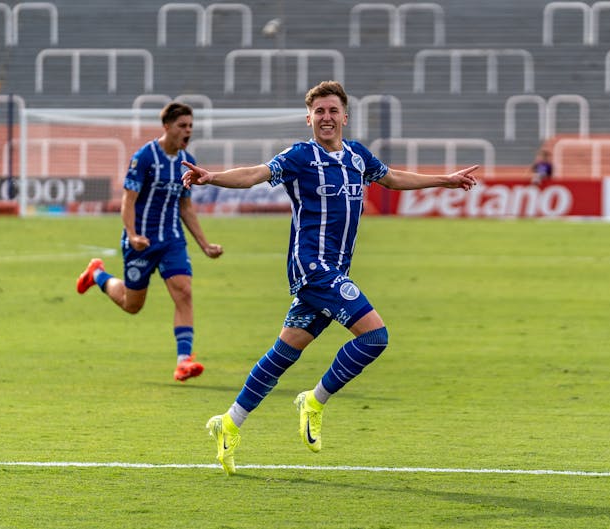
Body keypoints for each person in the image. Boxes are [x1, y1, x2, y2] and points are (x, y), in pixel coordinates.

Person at [181, 80, 478, 476]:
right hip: (313, 268)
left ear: (344, 116)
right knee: (375, 336)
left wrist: (445, 179)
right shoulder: (300, 157)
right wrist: (211, 177)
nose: (326, 117)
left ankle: (229, 422)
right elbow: (255, 173)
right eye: (319, 111)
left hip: (335, 271)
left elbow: (391, 178)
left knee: (284, 353)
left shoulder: (358, 156)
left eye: (332, 110)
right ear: (309, 118)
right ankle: (314, 401)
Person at [75, 102, 223, 382]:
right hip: (141, 241)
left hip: (171, 240)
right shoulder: (144, 158)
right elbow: (127, 201)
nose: (188, 130)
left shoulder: (186, 161)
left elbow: (186, 207)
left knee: (184, 291)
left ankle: (184, 361)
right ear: (167, 127)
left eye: (191, 126)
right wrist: (132, 234)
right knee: (132, 305)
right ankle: (97, 274)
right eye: (182, 125)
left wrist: (204, 244)